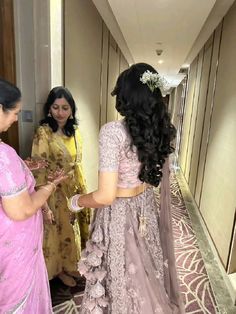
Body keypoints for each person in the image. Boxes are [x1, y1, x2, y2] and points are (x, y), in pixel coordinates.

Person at [68, 63, 185, 313]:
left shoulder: (113, 133)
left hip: (118, 216)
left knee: (120, 280)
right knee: (145, 272)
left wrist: (77, 200)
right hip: (144, 209)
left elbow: (105, 195)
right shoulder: (160, 131)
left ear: (126, 97)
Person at [0, 79, 67, 313]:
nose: (17, 118)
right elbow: (21, 210)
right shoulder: (4, 155)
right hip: (15, 246)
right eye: (15, 112)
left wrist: (23, 166)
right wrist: (49, 187)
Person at [31, 86, 91, 287]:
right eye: (55, 107)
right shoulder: (43, 133)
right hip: (53, 191)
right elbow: (38, 168)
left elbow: (77, 164)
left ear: (72, 110)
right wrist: (44, 204)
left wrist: (82, 190)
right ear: (49, 109)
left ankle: (71, 266)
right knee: (57, 232)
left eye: (65, 107)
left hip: (73, 189)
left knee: (72, 229)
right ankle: (58, 272)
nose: (60, 112)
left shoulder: (75, 132)